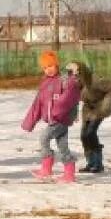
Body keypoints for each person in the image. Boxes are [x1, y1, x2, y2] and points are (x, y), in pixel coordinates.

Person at [21, 51, 83, 183]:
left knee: (44, 138)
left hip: (60, 119)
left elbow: (69, 98)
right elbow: (37, 104)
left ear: (57, 65)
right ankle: (69, 172)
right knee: (62, 146)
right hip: (53, 119)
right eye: (45, 67)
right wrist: (29, 122)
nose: (48, 69)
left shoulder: (65, 81)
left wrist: (56, 113)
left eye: (51, 66)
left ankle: (47, 167)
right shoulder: (45, 83)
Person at [75, 61, 111, 173]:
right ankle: (90, 162)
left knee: (90, 133)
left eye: (78, 72)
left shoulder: (95, 80)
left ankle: (98, 163)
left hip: (99, 108)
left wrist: (106, 104)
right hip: (87, 110)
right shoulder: (77, 82)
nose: (76, 75)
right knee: (84, 136)